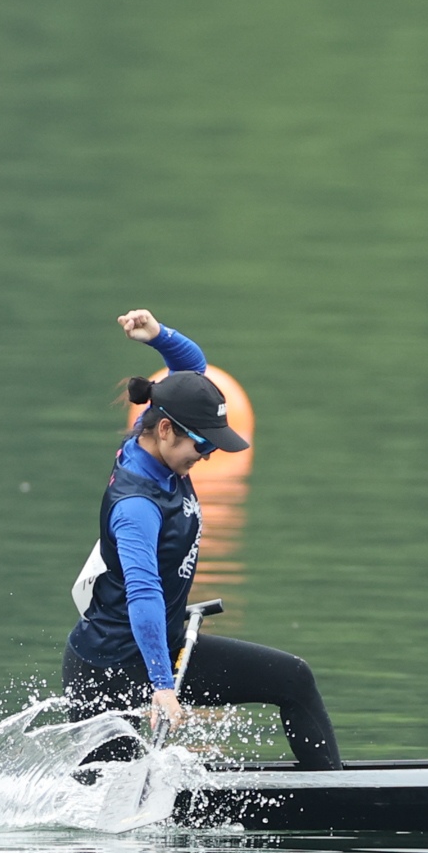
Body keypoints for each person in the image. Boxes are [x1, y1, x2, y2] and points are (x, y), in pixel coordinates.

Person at [64, 310, 343, 770]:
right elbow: (143, 594)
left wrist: (159, 336)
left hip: (162, 646)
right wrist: (162, 686)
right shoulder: (137, 506)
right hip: (109, 674)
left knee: (293, 678)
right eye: (203, 444)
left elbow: (192, 372)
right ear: (166, 430)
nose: (209, 455)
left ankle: (334, 792)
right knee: (113, 799)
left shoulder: (162, 437)